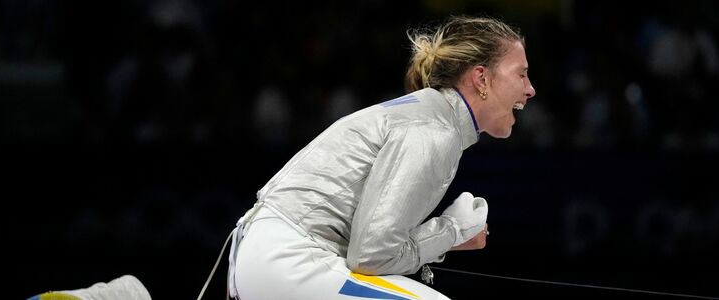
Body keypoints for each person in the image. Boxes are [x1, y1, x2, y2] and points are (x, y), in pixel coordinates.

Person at [228, 15, 536, 300]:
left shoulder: (432, 118)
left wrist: (450, 236)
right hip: (289, 259)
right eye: (521, 74)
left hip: (272, 256)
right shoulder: (433, 129)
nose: (530, 89)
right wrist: (452, 230)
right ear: (481, 78)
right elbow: (371, 256)